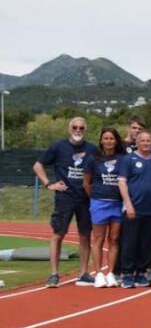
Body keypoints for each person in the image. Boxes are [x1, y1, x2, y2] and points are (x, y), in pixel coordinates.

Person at [33, 116, 97, 286]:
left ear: (85, 130)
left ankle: (83, 273)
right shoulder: (58, 146)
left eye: (81, 128)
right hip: (64, 197)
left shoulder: (92, 149)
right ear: (69, 129)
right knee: (58, 234)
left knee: (85, 235)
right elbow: (38, 165)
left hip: (85, 199)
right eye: (75, 127)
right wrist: (49, 184)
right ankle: (54, 274)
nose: (78, 130)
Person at [116, 131, 151, 288]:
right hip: (133, 209)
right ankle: (127, 274)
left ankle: (141, 273)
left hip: (150, 210)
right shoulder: (128, 159)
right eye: (142, 140)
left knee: (146, 244)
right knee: (129, 243)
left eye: (149, 140)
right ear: (137, 142)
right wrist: (128, 204)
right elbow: (122, 183)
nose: (146, 143)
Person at [82, 126, 123, 287]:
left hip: (117, 204)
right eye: (106, 138)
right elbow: (86, 183)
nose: (109, 141)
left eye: (112, 138)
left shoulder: (123, 158)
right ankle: (99, 273)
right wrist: (95, 198)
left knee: (114, 239)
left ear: (116, 141)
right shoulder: (93, 158)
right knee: (98, 239)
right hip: (99, 203)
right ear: (101, 140)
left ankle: (111, 272)